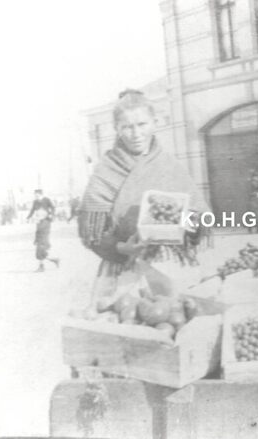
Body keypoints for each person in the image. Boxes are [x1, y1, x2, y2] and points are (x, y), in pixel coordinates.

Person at [78, 89, 209, 304]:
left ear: (154, 123)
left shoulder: (170, 166)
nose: (136, 133)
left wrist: (186, 227)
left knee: (172, 315)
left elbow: (199, 219)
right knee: (122, 319)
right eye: (127, 127)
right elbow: (91, 233)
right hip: (121, 270)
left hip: (168, 265)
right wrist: (122, 248)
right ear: (116, 128)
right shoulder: (105, 170)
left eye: (142, 124)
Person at [33, 208, 60, 272]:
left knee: (41, 254)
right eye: (37, 215)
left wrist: (38, 223)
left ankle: (42, 267)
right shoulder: (42, 222)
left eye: (38, 215)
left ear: (43, 216)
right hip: (41, 240)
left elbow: (40, 230)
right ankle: (55, 260)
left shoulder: (45, 222)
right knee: (42, 254)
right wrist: (36, 240)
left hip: (43, 240)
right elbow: (37, 232)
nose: (37, 217)